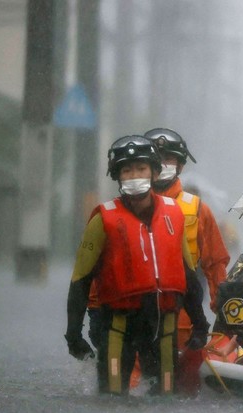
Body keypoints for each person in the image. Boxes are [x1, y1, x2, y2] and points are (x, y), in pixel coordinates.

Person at [64, 135, 209, 395]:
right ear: (117, 176)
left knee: (166, 397)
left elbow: (187, 274)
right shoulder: (103, 219)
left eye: (141, 168)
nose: (134, 175)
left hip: (163, 327)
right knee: (113, 397)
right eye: (127, 170)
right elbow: (81, 280)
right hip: (119, 326)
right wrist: (74, 334)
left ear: (154, 172)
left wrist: (200, 323)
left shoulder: (174, 214)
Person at [143, 128, 230, 348]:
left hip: (183, 318)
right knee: (130, 380)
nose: (161, 163)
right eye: (155, 157)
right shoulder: (124, 209)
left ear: (180, 165)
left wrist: (221, 312)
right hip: (134, 315)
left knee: (180, 379)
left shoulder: (197, 209)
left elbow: (216, 263)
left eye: (168, 158)